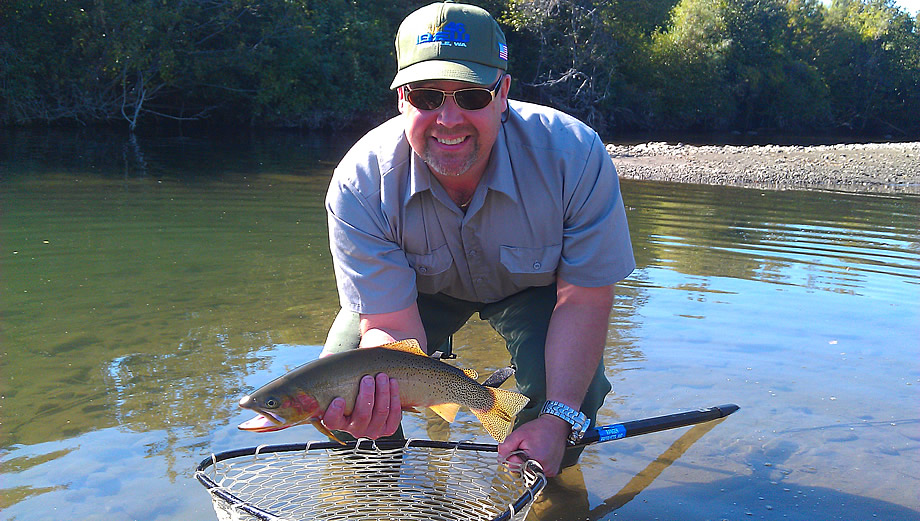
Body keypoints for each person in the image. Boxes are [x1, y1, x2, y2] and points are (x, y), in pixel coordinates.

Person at [318, 1, 635, 477]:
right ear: (401, 97)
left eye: (470, 96)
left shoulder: (575, 157)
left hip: (534, 292)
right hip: (420, 296)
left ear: (502, 92)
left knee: (573, 402)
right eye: (427, 97)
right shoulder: (361, 182)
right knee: (345, 380)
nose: (448, 119)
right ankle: (377, 488)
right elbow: (390, 323)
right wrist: (380, 398)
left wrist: (559, 416)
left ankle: (542, 472)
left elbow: (585, 302)